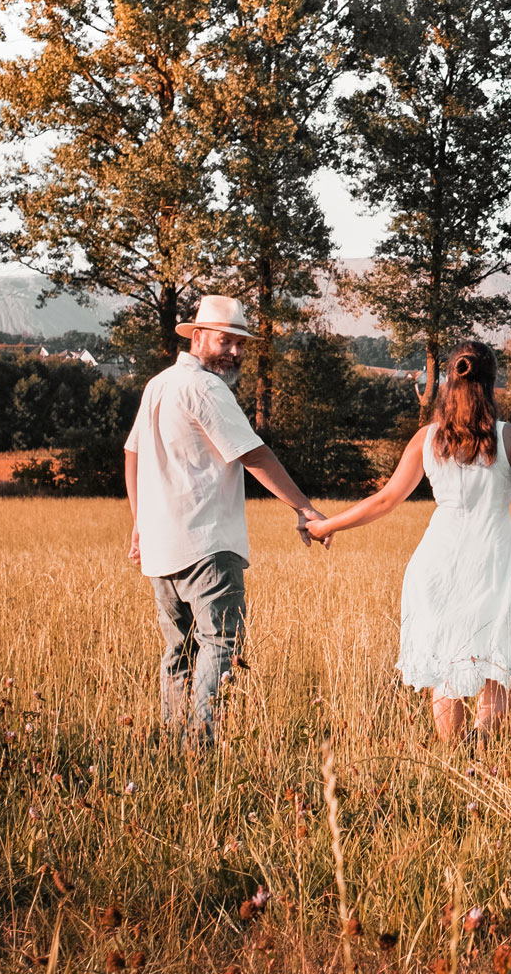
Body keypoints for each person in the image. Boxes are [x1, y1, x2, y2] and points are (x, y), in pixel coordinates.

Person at [305, 342, 511, 743]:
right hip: (495, 561)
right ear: (492, 384)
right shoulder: (509, 438)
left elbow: (384, 500)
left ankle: (455, 756)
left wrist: (327, 526)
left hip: (438, 560)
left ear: (448, 382)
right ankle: (479, 750)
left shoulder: (427, 439)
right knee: (499, 664)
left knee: (446, 668)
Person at [124, 295, 327, 745]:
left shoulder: (158, 384)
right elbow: (253, 453)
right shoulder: (207, 388)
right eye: (224, 341)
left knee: (179, 650)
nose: (234, 352)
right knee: (220, 645)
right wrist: (303, 507)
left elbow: (131, 453)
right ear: (197, 337)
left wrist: (140, 522)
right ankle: (200, 743)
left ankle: (176, 746)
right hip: (208, 544)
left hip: (162, 547)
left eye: (240, 344)